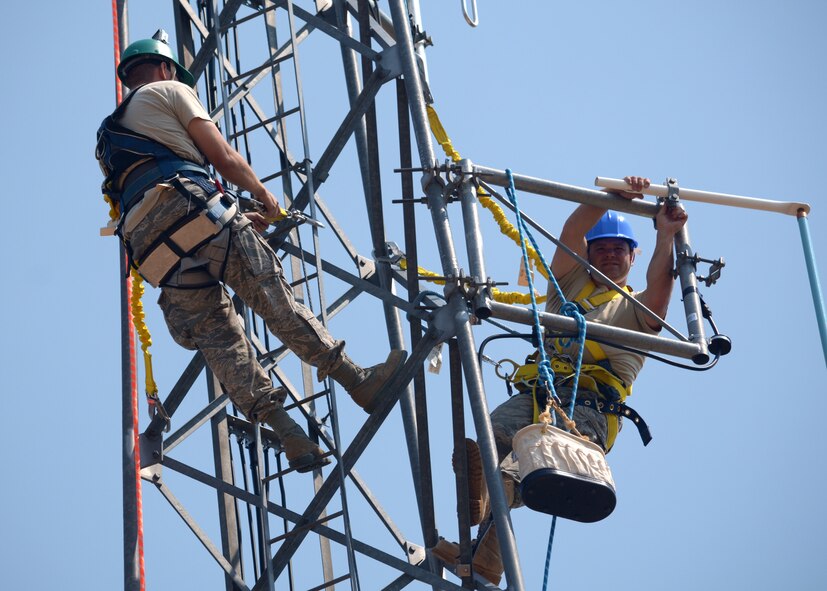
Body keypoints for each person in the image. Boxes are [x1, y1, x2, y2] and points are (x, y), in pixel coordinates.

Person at [96, 30, 405, 473]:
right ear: (166, 69)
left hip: (153, 248)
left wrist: (231, 211)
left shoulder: (109, 135)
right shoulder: (172, 91)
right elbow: (220, 157)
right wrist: (263, 194)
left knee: (222, 343)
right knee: (271, 297)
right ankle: (358, 381)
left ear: (129, 77)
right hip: (194, 210)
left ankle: (289, 433)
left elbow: (151, 181)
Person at [432, 176, 688, 584]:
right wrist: (612, 198)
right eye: (600, 249)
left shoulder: (636, 312)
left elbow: (661, 289)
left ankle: (482, 533)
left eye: (618, 250)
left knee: (507, 469)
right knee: (483, 449)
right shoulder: (565, 289)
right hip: (541, 394)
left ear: (632, 257)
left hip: (588, 410)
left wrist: (667, 235)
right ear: (586, 255)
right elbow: (572, 232)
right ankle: (485, 556)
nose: (608, 256)